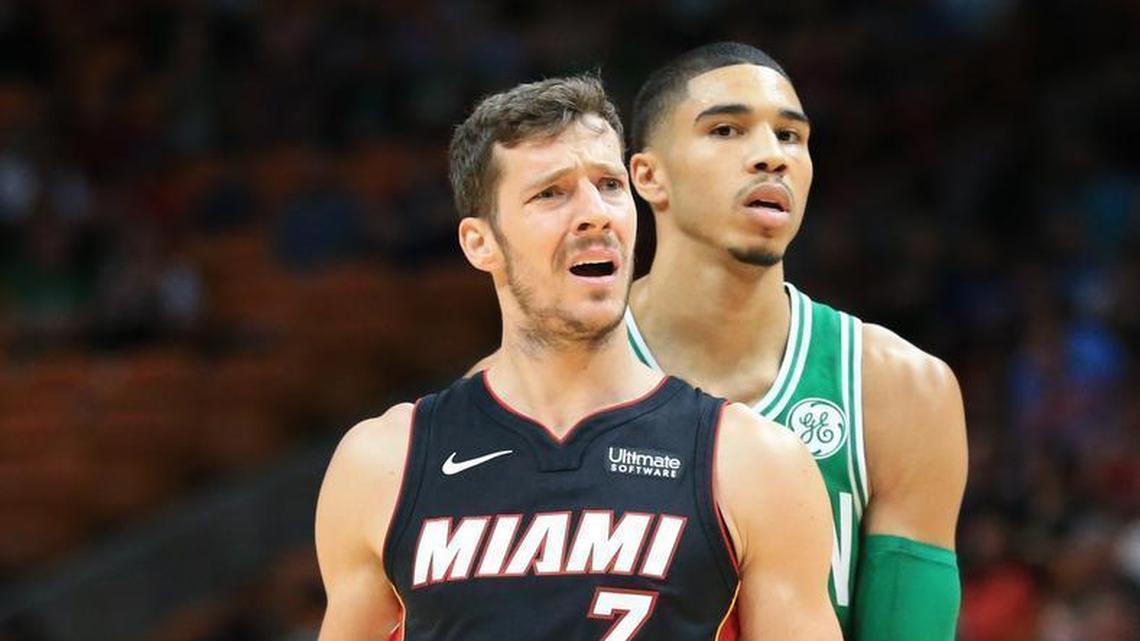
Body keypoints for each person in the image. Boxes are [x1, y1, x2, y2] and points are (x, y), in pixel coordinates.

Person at [314, 75, 841, 641]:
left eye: (610, 186)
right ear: (479, 242)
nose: (597, 214)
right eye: (552, 193)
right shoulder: (383, 462)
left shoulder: (752, 461)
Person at [622, 43, 968, 640]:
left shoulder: (899, 389)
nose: (770, 157)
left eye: (790, 137)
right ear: (649, 176)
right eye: (727, 129)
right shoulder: (548, 374)